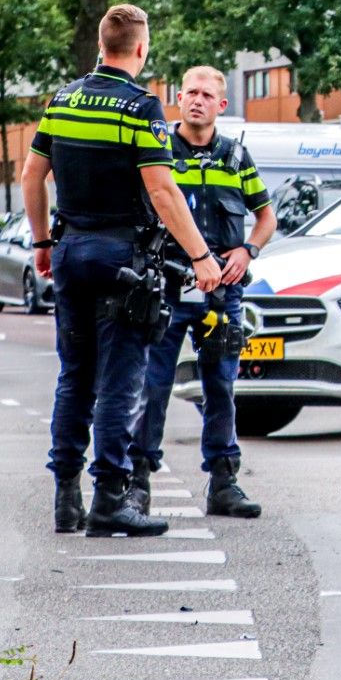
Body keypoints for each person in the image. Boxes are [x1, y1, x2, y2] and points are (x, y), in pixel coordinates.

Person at [22, 5, 222, 539]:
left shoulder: (62, 100)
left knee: (74, 376)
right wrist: (202, 258)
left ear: (101, 42)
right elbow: (161, 189)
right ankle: (111, 497)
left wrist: (42, 240)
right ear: (140, 49)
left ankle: (66, 498)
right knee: (119, 382)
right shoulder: (141, 106)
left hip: (69, 253)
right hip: (121, 263)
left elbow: (31, 174)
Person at [130, 66, 275, 519]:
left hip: (222, 295)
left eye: (207, 95)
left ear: (221, 105)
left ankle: (224, 483)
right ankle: (137, 483)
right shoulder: (158, 152)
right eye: (190, 92)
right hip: (166, 288)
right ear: (177, 98)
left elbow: (266, 217)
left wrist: (248, 251)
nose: (197, 100)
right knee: (152, 387)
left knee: (221, 387)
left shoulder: (236, 157)